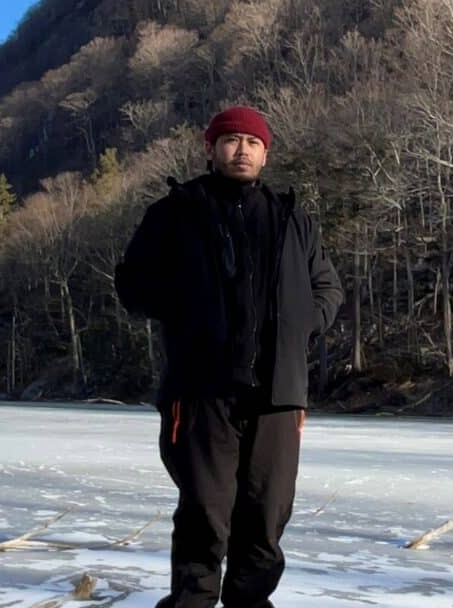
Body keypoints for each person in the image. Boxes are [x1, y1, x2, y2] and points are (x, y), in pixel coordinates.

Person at [115, 105, 343, 608]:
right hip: (201, 393)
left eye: (252, 142)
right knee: (205, 512)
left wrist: (303, 322)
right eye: (231, 140)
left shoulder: (291, 219)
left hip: (277, 393)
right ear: (211, 148)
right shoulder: (178, 211)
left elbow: (327, 286)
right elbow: (132, 282)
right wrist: (187, 307)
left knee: (266, 516)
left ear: (266, 153)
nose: (242, 150)